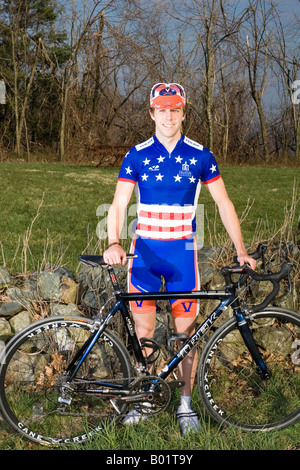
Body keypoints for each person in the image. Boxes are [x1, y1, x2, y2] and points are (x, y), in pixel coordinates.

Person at [103, 82, 256, 435]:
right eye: (162, 109)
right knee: (144, 330)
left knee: (185, 335)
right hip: (144, 254)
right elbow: (118, 204)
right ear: (152, 113)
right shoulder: (137, 154)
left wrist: (241, 250)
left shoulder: (201, 155)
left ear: (183, 112)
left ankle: (186, 404)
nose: (169, 116)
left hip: (182, 254)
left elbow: (223, 204)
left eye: (176, 109)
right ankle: (145, 398)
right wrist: (113, 240)